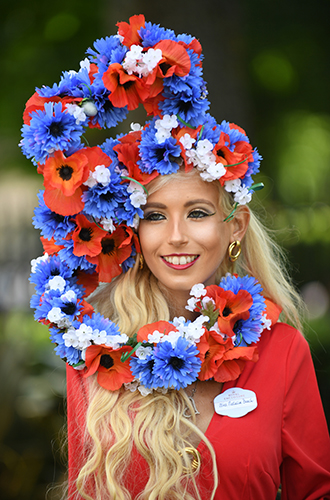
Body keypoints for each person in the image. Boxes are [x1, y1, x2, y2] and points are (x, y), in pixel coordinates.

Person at [22, 14, 330, 500]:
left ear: (235, 226)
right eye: (156, 215)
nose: (177, 237)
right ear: (133, 231)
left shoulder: (283, 350)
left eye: (199, 212)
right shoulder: (96, 350)